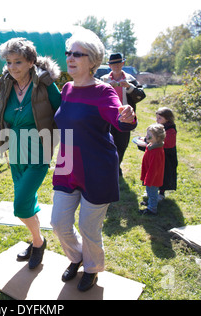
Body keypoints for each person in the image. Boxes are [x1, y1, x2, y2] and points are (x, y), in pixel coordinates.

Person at [51, 28, 137, 292]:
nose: (70, 58)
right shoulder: (66, 88)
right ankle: (76, 257)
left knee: (89, 228)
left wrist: (126, 117)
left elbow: (121, 121)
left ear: (93, 61)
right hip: (67, 166)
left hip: (96, 169)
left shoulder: (103, 92)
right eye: (69, 53)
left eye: (78, 54)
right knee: (58, 223)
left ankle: (92, 269)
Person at [0, 38, 62, 270]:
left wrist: (68, 142)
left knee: (20, 205)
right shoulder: (6, 83)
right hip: (16, 150)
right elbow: (1, 115)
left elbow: (62, 110)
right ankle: (36, 240)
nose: (12, 67)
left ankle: (38, 243)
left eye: (18, 61)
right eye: (9, 62)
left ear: (31, 62)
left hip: (39, 150)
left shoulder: (44, 82)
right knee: (27, 200)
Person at [101, 53, 145, 175]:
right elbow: (95, 98)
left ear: (123, 64)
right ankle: (110, 167)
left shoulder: (130, 79)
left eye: (118, 63)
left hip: (125, 117)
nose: (116, 66)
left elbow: (140, 96)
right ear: (109, 65)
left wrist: (129, 87)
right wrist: (105, 88)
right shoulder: (103, 79)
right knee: (108, 143)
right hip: (107, 117)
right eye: (113, 64)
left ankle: (116, 166)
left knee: (122, 144)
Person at [139, 123, 166, 215]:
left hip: (153, 178)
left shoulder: (156, 152)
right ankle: (150, 203)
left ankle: (152, 209)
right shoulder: (152, 145)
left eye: (149, 135)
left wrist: (149, 179)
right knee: (149, 191)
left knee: (152, 193)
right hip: (149, 175)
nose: (146, 136)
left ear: (157, 138)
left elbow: (154, 168)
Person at [156, 107, 178, 201]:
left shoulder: (170, 130)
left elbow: (168, 144)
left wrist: (155, 143)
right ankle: (153, 189)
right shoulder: (158, 127)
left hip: (167, 157)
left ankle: (161, 193)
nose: (157, 120)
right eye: (156, 118)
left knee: (164, 174)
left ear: (167, 119)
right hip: (157, 154)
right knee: (155, 172)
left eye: (160, 118)